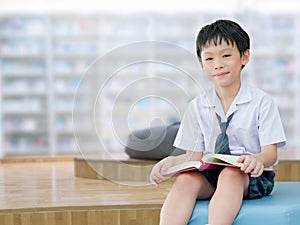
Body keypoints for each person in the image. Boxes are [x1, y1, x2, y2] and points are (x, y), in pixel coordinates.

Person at [150, 19, 286, 225]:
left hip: (252, 177)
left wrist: (257, 159)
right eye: (210, 58)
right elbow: (194, 156)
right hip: (212, 174)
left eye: (226, 55)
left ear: (244, 56)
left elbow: (270, 153)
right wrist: (170, 162)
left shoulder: (262, 102)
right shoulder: (197, 106)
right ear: (201, 64)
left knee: (231, 174)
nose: (218, 64)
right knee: (186, 180)